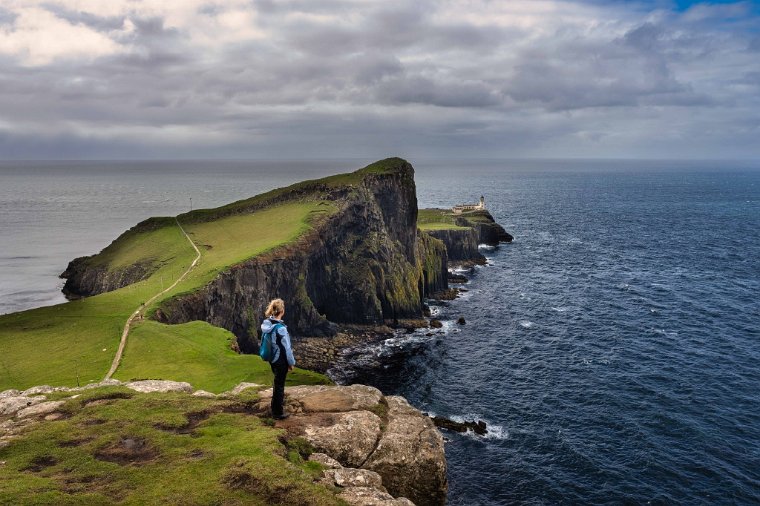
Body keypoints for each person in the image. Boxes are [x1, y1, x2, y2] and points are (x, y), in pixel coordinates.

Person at [261, 298, 295, 420]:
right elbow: (287, 349)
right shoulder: (280, 328)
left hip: (272, 359)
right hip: (280, 360)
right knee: (280, 385)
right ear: (282, 311)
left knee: (277, 382)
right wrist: (291, 363)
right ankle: (278, 412)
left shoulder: (267, 324)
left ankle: (274, 407)